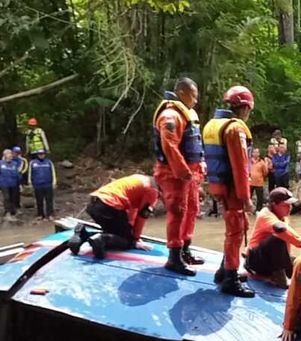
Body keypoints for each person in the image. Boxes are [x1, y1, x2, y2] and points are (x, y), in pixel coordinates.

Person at [203, 85, 256, 298]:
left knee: (232, 229)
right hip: (233, 189)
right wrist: (246, 198)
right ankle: (231, 278)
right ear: (243, 108)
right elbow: (240, 167)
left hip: (219, 186)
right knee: (236, 232)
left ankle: (224, 269)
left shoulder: (212, 125)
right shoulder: (235, 129)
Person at [152, 77, 205, 276]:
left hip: (189, 173)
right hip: (173, 173)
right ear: (182, 93)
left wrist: (198, 169)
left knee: (192, 209)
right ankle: (174, 256)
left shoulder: (186, 114)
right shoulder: (170, 116)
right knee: (178, 211)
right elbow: (170, 146)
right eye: (194, 96)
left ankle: (185, 249)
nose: (196, 100)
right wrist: (182, 172)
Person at [69, 174, 158, 258]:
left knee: (115, 235)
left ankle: (83, 234)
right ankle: (102, 239)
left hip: (94, 204)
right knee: (126, 242)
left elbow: (132, 209)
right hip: (110, 206)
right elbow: (141, 217)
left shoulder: (140, 178)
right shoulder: (153, 191)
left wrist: (128, 230)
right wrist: (135, 240)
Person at [245, 187, 301, 288]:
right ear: (274, 204)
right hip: (256, 260)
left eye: (290, 205)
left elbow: (287, 240)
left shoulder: (283, 216)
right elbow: (281, 230)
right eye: (286, 205)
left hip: (271, 259)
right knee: (277, 239)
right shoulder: (265, 215)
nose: (290, 208)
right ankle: (280, 280)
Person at [29, 149, 56, 220]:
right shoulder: (33, 162)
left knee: (49, 200)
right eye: (40, 154)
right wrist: (30, 183)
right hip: (37, 184)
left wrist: (54, 182)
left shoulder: (49, 162)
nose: (41, 155)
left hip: (48, 184)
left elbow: (53, 172)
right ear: (37, 154)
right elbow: (30, 173)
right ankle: (40, 214)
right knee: (39, 200)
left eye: (42, 154)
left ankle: (50, 214)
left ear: (45, 154)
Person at [0, 150, 20, 221]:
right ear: (5, 155)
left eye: (11, 154)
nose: (10, 155)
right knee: (7, 197)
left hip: (13, 184)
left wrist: (20, 183)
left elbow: (17, 174)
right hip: (4, 184)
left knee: (13, 198)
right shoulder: (1, 163)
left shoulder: (14, 163)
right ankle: (7, 212)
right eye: (8, 154)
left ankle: (12, 212)